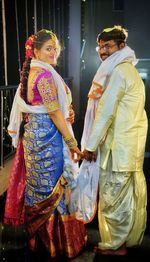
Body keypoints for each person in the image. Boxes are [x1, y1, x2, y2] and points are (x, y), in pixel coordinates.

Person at [4, 29, 87, 259]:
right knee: (53, 186)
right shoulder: (45, 75)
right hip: (47, 140)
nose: (54, 52)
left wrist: (67, 111)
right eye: (48, 48)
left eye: (55, 48)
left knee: (36, 186)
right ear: (36, 51)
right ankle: (54, 244)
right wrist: (72, 143)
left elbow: (53, 108)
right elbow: (54, 114)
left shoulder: (30, 72)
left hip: (32, 137)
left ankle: (36, 242)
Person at [82, 25, 148, 255]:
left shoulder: (119, 71)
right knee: (126, 197)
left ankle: (115, 245)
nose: (102, 52)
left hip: (118, 148)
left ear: (122, 46)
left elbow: (106, 112)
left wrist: (90, 146)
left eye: (108, 46)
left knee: (113, 197)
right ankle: (123, 241)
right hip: (128, 146)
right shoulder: (128, 70)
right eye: (100, 47)